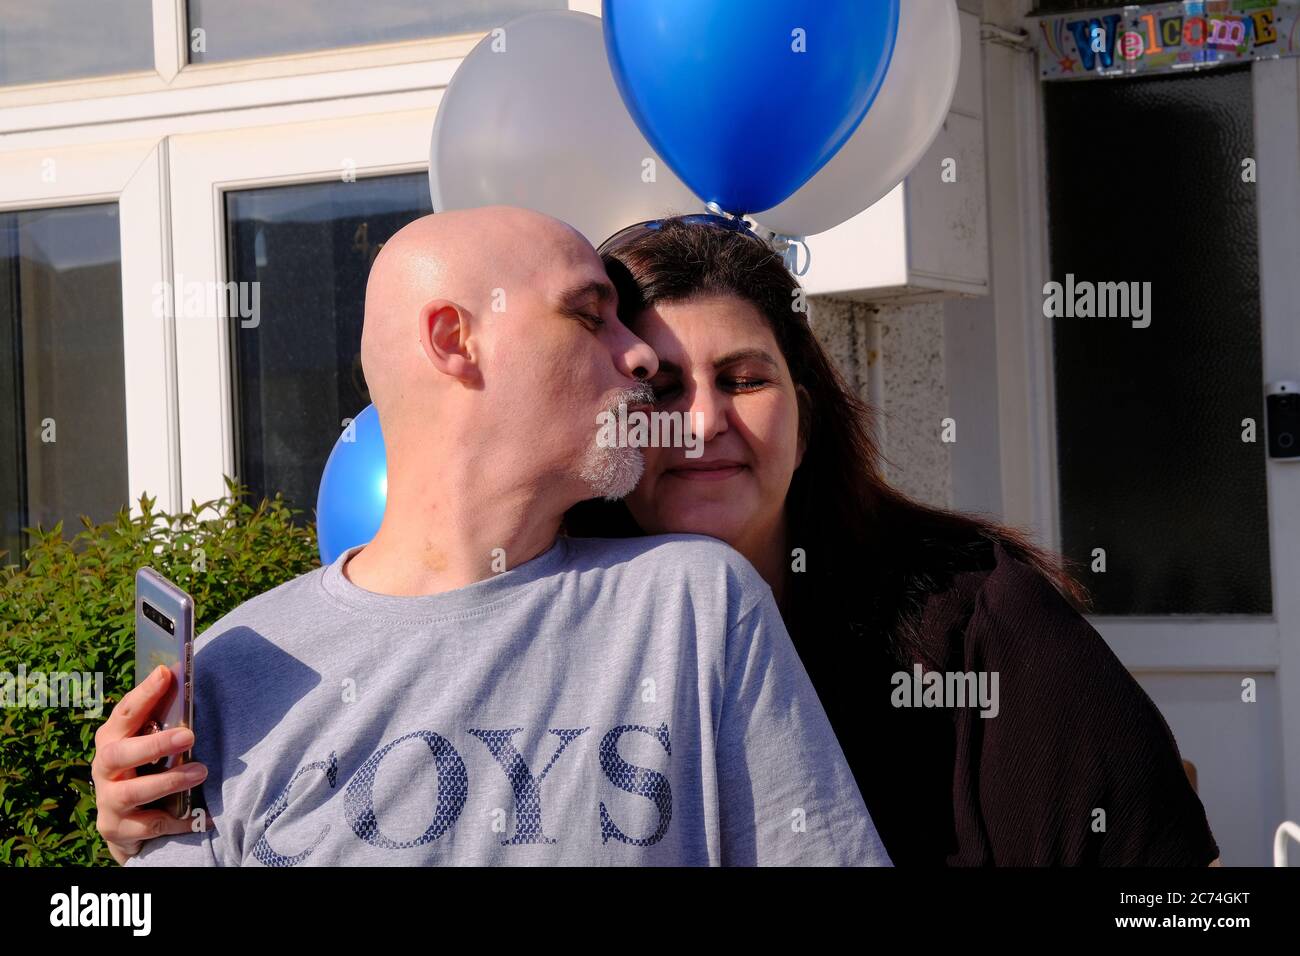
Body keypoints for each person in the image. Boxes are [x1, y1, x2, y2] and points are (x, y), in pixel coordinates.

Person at [91, 207, 890, 867]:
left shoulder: (694, 604)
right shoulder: (230, 674)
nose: (642, 354)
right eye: (588, 314)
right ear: (452, 340)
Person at [563, 215, 1221, 866]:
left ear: (806, 423)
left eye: (743, 381)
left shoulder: (977, 623)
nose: (702, 422)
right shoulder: (551, 634)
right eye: (660, 389)